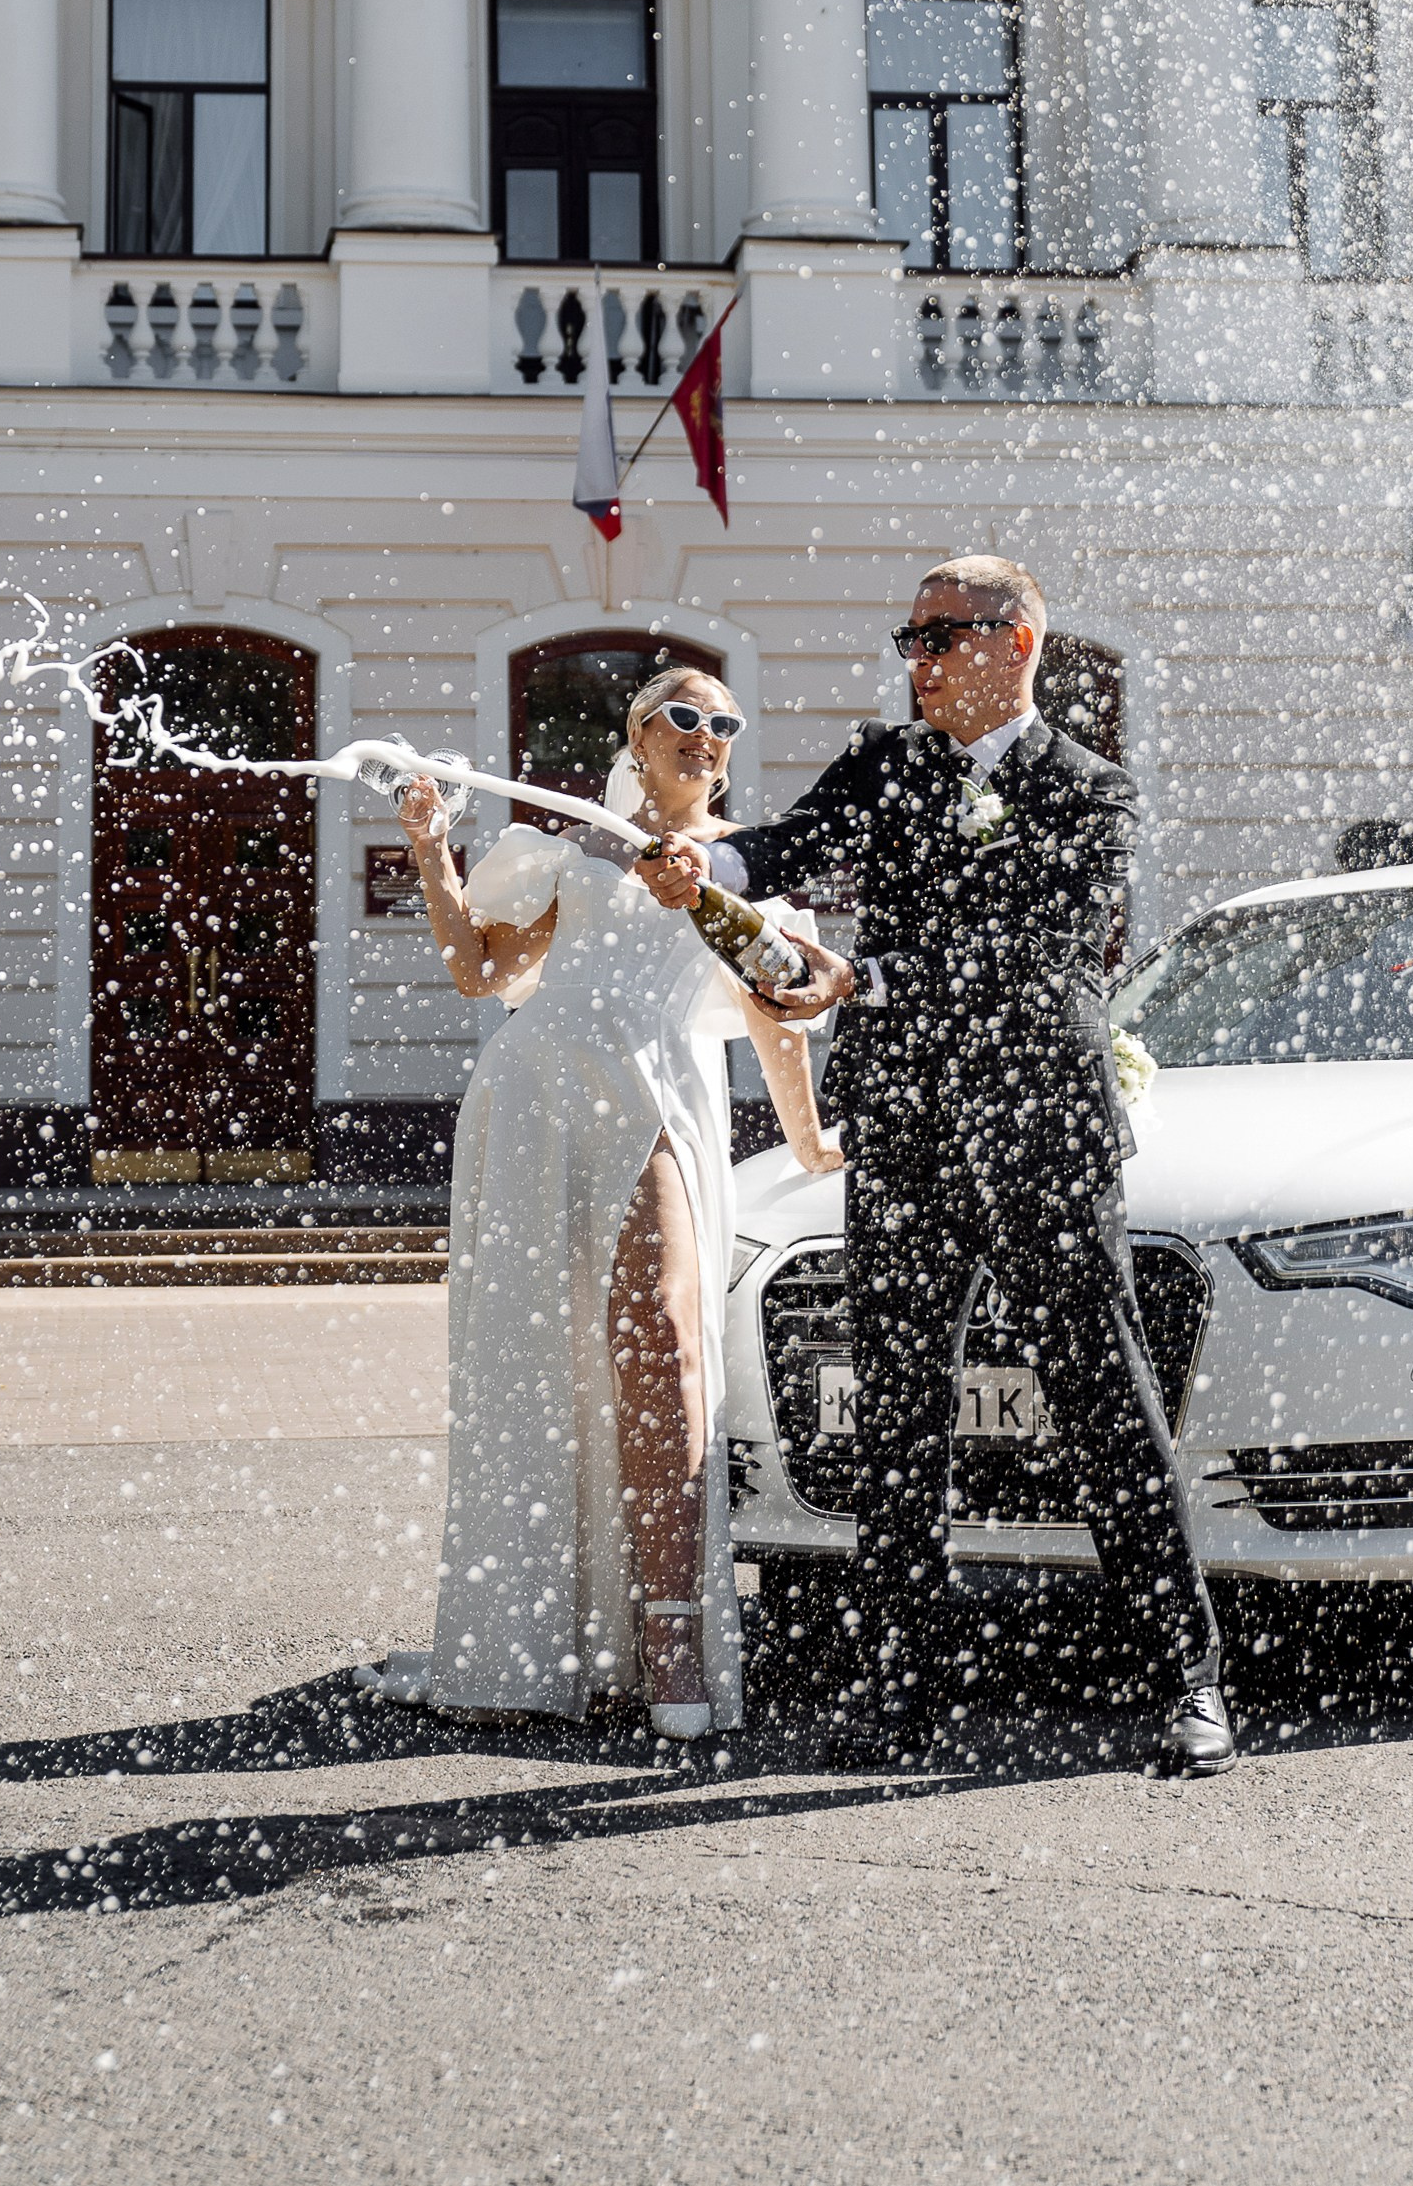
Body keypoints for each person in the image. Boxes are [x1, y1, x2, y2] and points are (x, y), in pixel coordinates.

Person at [640, 557, 1235, 1779]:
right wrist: (712, 871)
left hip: (1040, 1140)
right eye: (904, 638)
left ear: (1016, 642)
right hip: (904, 1137)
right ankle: (903, 1688)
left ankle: (1187, 1680)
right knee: (899, 1419)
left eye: (936, 636)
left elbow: (1042, 949)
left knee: (1103, 1402)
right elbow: (792, 844)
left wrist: (874, 978)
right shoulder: (886, 763)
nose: (912, 660)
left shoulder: (1092, 790)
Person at [354, 665, 845, 1739]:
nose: (706, 735)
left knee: (663, 1339)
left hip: (658, 1089)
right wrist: (432, 844)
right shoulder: (573, 844)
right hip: (537, 1092)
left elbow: (775, 1014)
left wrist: (809, 1142)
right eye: (683, 715)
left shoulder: (742, 866)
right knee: (542, 1354)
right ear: (635, 732)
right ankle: (544, 1629)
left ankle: (664, 1630)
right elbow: (481, 972)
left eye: (724, 722)